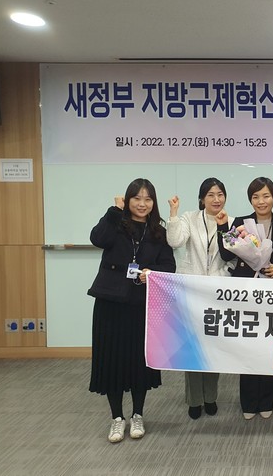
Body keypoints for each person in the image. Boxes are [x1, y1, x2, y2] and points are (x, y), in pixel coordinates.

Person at [87, 178, 176, 443]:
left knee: (138, 362)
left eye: (148, 199)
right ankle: (117, 418)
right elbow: (97, 238)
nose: (142, 204)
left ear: (153, 203)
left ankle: (138, 414)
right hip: (110, 302)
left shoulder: (158, 232)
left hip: (141, 304)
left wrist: (151, 273)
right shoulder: (116, 224)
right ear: (127, 200)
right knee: (112, 360)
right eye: (137, 198)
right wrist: (115, 211)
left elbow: (169, 266)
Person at [217, 176, 273, 420]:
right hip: (246, 292)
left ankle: (267, 399)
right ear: (251, 199)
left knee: (269, 345)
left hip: (272, 291)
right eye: (256, 197)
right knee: (247, 346)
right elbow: (225, 252)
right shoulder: (240, 222)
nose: (261, 201)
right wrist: (222, 227)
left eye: (266, 196)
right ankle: (248, 402)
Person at [167, 177, 233, 420]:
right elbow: (175, 241)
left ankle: (210, 396)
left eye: (220, 194)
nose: (216, 199)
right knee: (193, 349)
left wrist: (217, 278)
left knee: (213, 349)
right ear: (202, 198)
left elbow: (233, 258)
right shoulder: (189, 218)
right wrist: (173, 214)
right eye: (211, 195)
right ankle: (194, 400)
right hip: (191, 292)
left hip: (216, 294)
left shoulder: (231, 222)